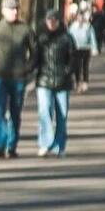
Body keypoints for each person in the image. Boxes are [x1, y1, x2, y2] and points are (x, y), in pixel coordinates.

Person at [0, 0, 35, 158]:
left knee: (15, 112)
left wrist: (28, 67)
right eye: (11, 9)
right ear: (3, 11)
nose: (15, 12)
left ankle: (12, 146)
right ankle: (0, 145)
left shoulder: (26, 29)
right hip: (1, 78)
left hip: (19, 78)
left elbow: (35, 51)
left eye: (16, 9)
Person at [34, 9, 75, 158]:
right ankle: (45, 143)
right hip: (44, 81)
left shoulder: (67, 38)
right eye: (49, 20)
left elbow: (73, 58)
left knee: (62, 115)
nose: (51, 23)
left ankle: (59, 146)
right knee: (44, 112)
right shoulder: (40, 38)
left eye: (54, 20)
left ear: (58, 21)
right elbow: (35, 59)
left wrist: (67, 71)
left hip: (62, 83)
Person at [68, 1, 99, 92]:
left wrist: (94, 48)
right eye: (78, 17)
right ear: (76, 18)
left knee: (85, 66)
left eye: (81, 17)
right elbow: (69, 37)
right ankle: (78, 82)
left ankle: (85, 82)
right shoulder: (72, 27)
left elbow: (92, 37)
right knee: (77, 66)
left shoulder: (88, 26)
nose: (80, 18)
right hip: (76, 48)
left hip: (86, 48)